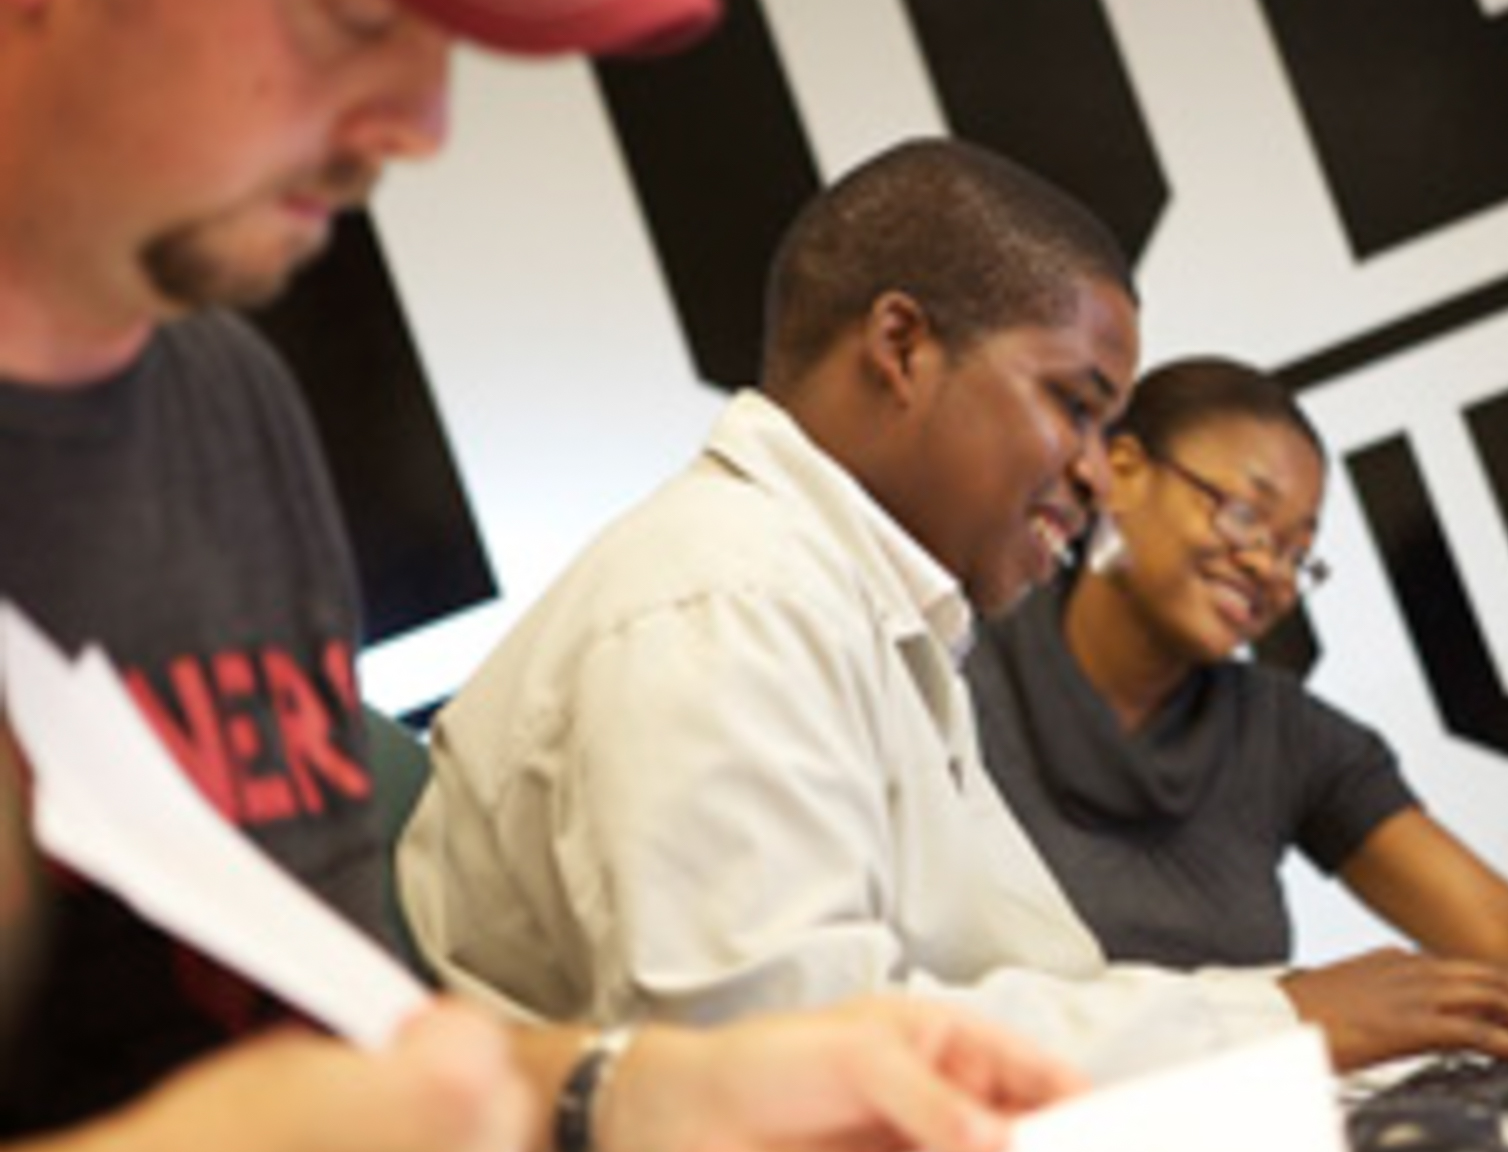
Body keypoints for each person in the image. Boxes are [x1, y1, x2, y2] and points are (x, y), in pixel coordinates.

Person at [0, 2, 1082, 1150]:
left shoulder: (224, 401)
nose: (421, 123)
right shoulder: (719, 589)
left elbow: (339, 1044)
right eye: (355, 13)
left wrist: (623, 1092)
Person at [400, 137, 1508, 1084]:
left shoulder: (855, 608)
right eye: (1074, 405)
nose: (1097, 471)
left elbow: (991, 985)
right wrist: (1273, 1026)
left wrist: (1270, 1016)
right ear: (901, 346)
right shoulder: (728, 605)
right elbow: (777, 1079)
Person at [965, 355, 1508, 1032]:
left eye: (1300, 553)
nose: (1270, 568)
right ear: (1123, 472)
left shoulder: (1287, 736)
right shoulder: (953, 662)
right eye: (1244, 514)